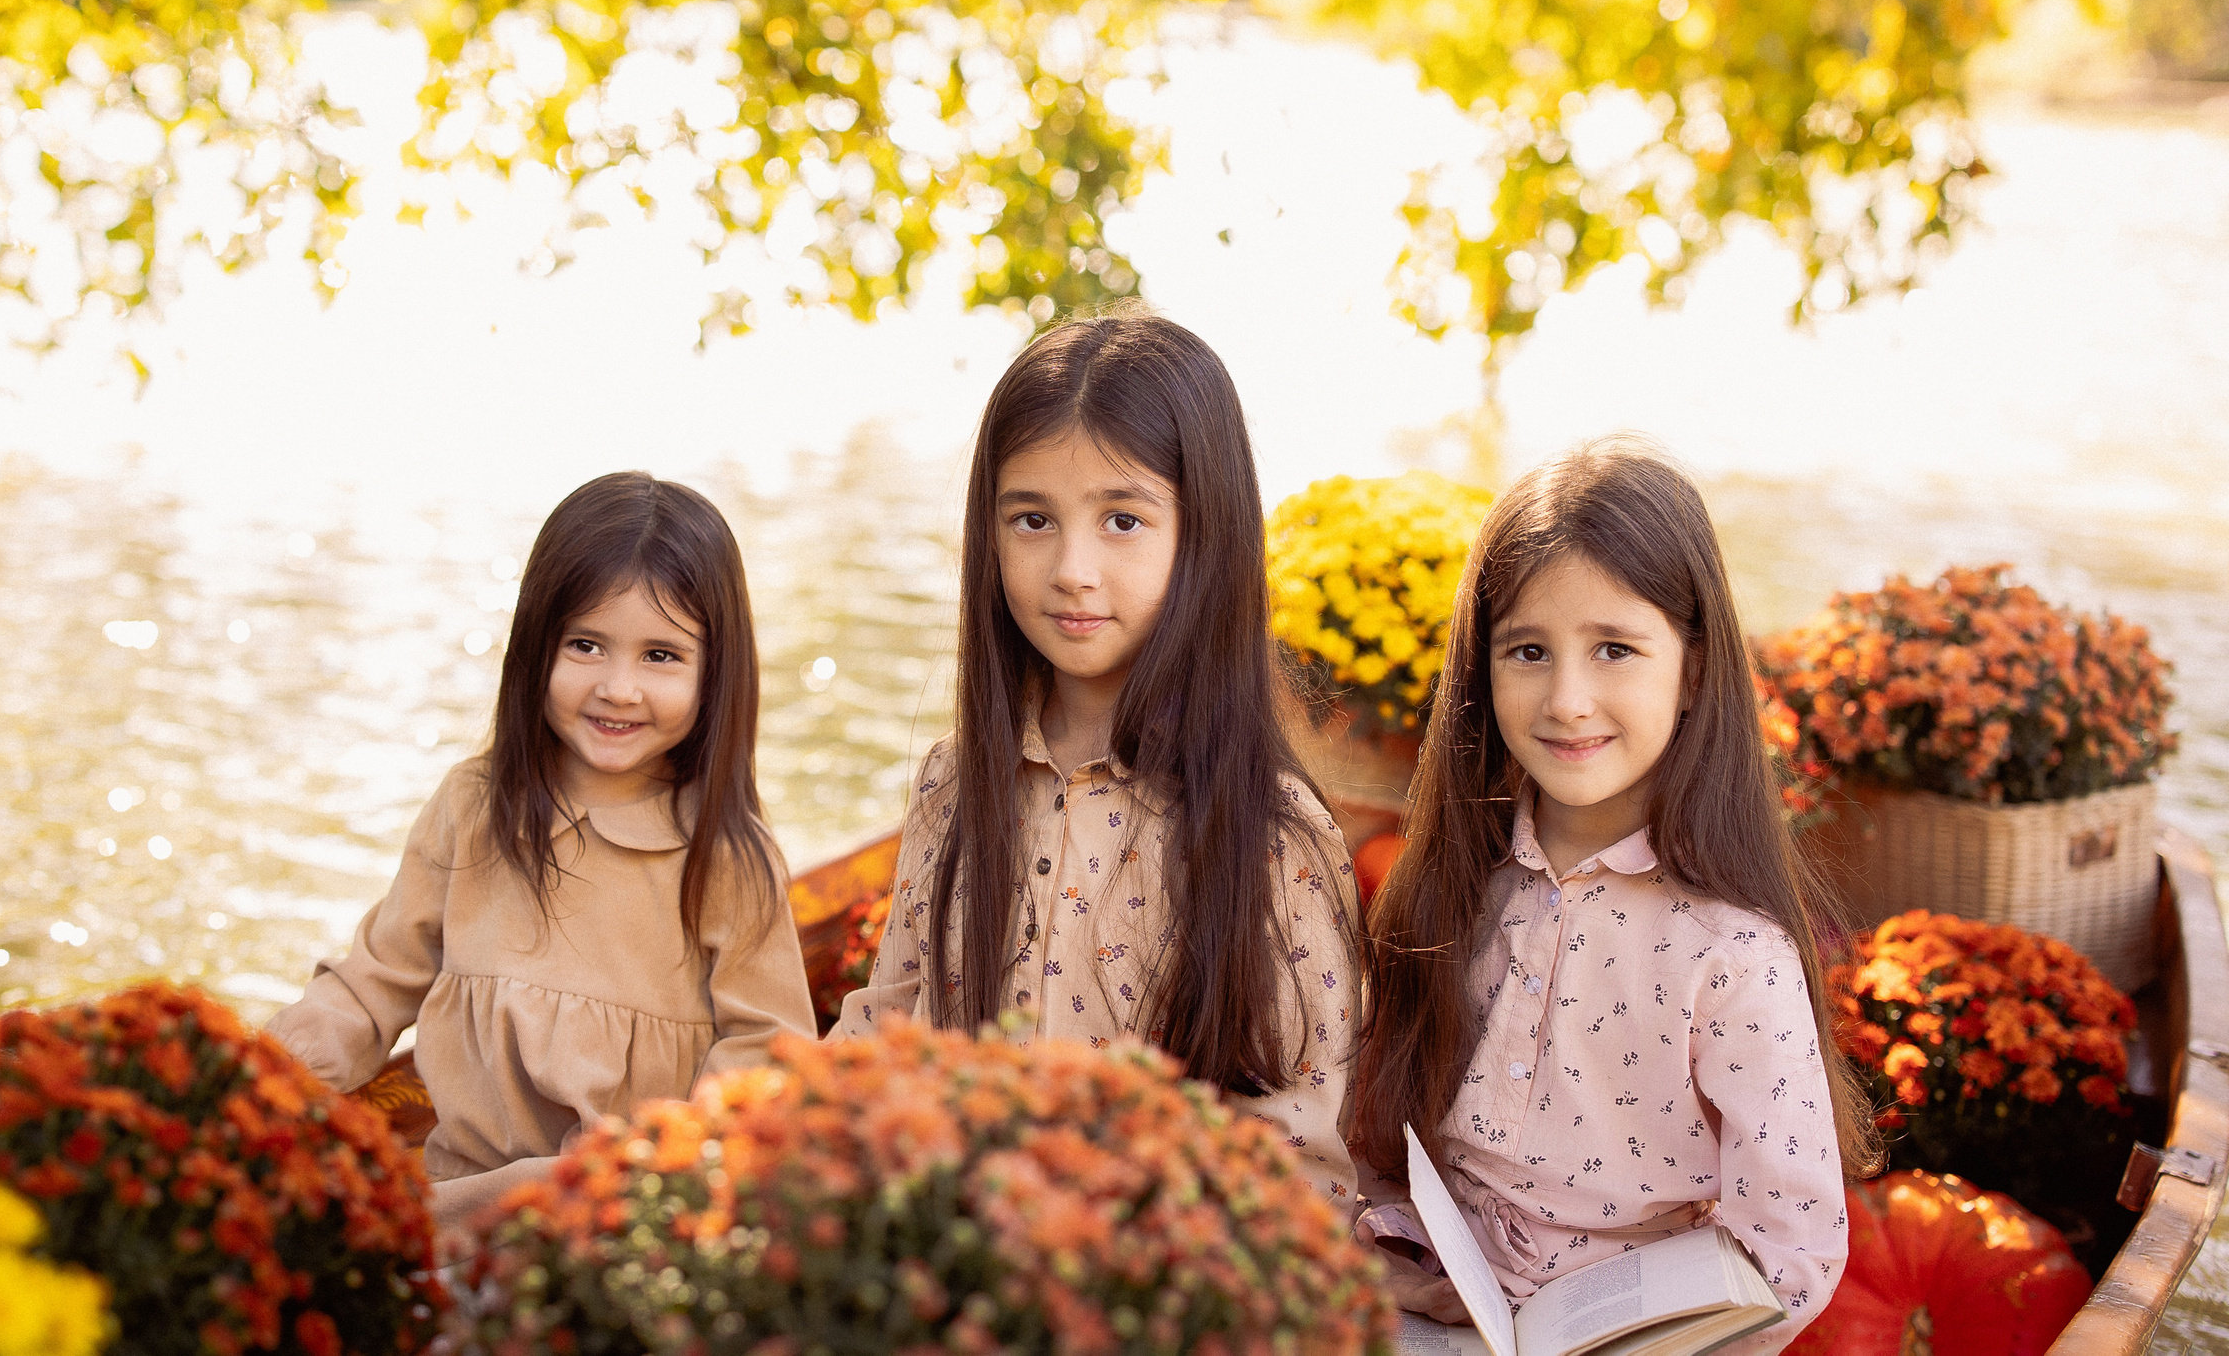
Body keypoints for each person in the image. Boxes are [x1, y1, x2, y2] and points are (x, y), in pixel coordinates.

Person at [830, 303, 1361, 1202]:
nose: (1073, 567)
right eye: (1032, 519)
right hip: (952, 1245)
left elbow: (1296, 1147)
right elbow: (889, 1024)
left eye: (1123, 519)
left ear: (1206, 534)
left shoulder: (1271, 833)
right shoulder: (956, 784)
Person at [1352, 437, 1874, 1350]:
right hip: (1433, 1308)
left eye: (1615, 649)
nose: (1568, 698)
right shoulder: (1451, 884)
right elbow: (1377, 1133)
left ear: (1695, 670)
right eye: (1528, 650)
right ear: (1483, 668)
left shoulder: (1733, 950)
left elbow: (1790, 1254)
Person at [268, 472, 814, 1228]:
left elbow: (766, 1053)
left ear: (714, 671)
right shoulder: (473, 806)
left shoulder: (724, 857)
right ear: (537, 647)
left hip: (618, 1222)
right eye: (586, 644)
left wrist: (656, 1173)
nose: (619, 688)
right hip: (455, 1207)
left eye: (661, 655)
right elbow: (371, 986)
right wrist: (262, 1081)